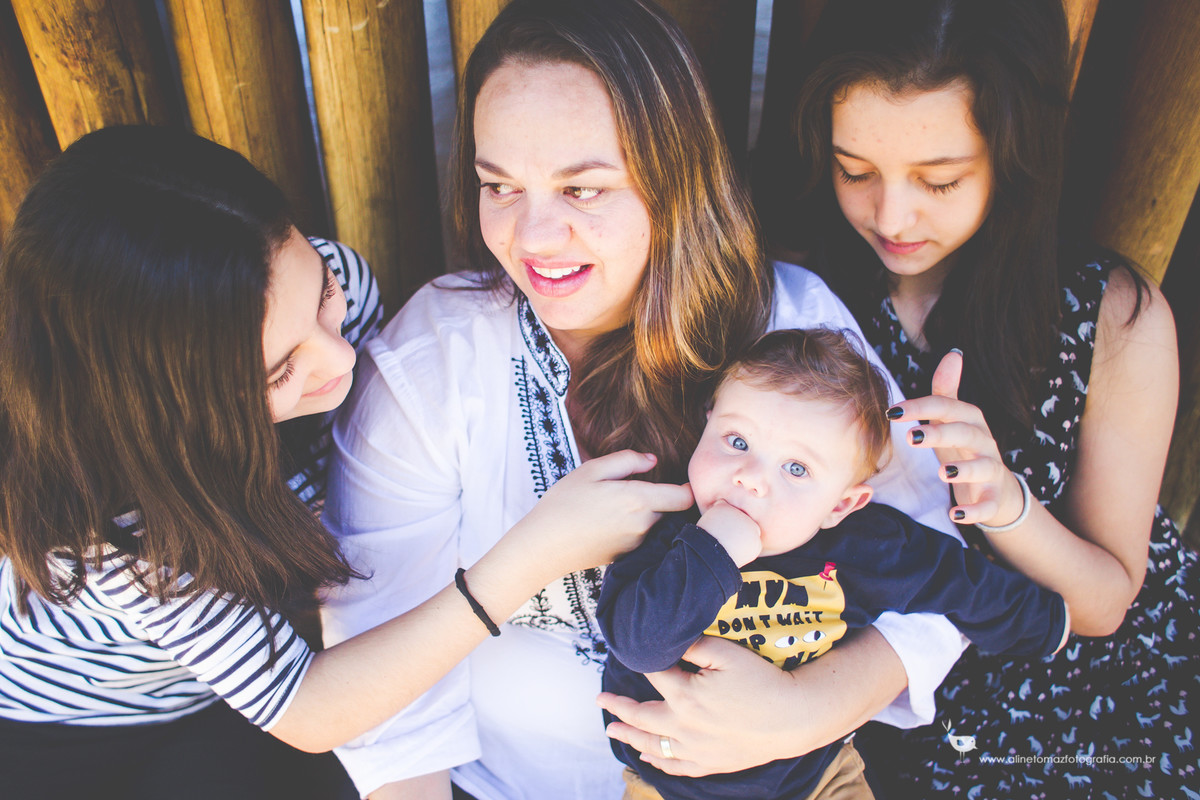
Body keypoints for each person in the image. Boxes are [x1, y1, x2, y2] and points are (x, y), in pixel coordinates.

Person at [320, 2, 971, 798]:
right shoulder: (432, 364)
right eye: (499, 185)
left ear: (675, 176)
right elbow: (387, 701)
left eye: (583, 190)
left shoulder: (792, 327)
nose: (532, 236)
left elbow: (935, 562)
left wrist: (806, 710)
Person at [0, 125, 682, 800]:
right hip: (74, 720)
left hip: (250, 670)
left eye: (322, 296)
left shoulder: (326, 286)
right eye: (278, 372)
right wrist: (532, 555)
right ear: (170, 413)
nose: (342, 357)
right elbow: (308, 710)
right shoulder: (118, 521)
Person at [777, 0, 1199, 796]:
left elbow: (1105, 603)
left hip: (1083, 686)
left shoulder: (1111, 317)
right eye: (855, 170)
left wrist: (1003, 501)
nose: (892, 215)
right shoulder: (798, 291)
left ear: (1015, 154)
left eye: (940, 180)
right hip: (887, 690)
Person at [598, 328, 1070, 800]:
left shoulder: (866, 548)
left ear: (841, 505)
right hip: (668, 783)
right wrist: (711, 551)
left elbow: (954, 579)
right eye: (737, 441)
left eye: (796, 469)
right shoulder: (669, 538)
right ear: (708, 422)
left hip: (818, 780)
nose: (750, 479)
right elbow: (637, 646)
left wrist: (1045, 624)